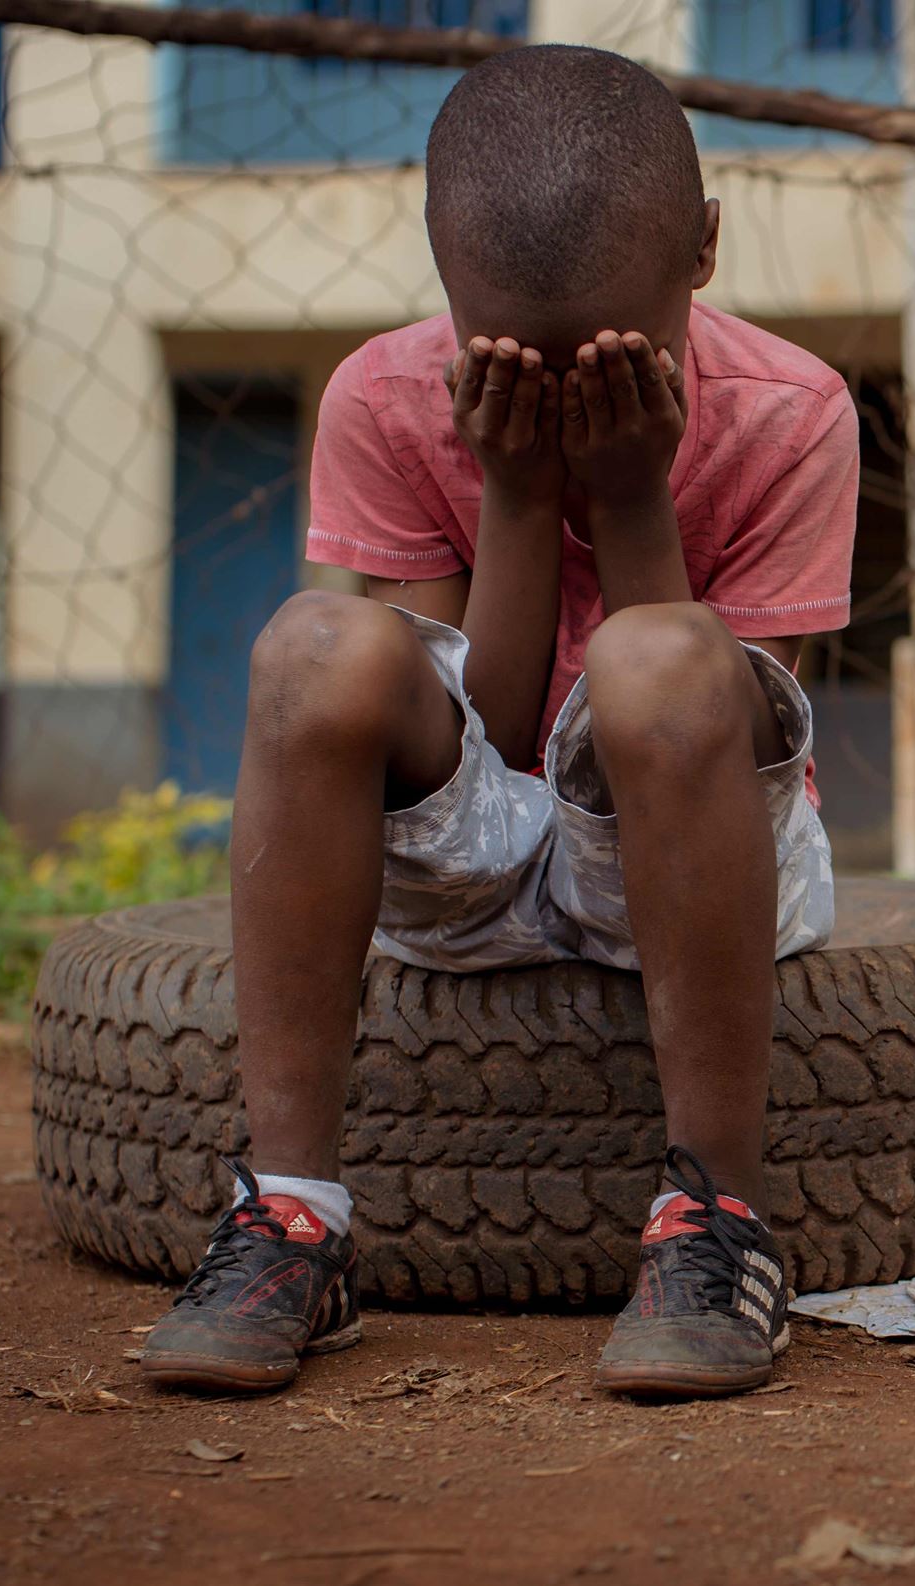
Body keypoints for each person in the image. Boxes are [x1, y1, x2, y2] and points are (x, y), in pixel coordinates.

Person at [136, 44, 856, 1401]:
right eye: (504, 349)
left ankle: (717, 1220)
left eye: (618, 355)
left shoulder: (791, 414)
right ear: (440, 271)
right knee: (314, 643)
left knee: (662, 658)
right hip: (470, 848)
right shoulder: (385, 397)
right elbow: (495, 750)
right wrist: (516, 498)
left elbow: (713, 732)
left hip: (705, 850)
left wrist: (634, 499)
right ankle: (293, 1212)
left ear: (704, 253)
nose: (560, 383)